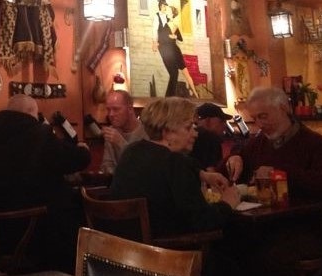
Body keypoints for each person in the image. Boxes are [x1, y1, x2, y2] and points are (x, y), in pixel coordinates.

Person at [0, 94, 91, 273]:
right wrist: (84, 150)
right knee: (79, 208)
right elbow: (75, 159)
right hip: (36, 228)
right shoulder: (38, 135)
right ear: (31, 112)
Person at [110, 97, 240, 239]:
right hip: (168, 249)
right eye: (188, 127)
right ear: (167, 132)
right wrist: (227, 203)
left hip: (125, 246)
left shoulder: (132, 151)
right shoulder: (174, 163)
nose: (195, 133)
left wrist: (202, 174)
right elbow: (203, 221)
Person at [223, 86, 322, 200]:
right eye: (255, 119)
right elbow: (225, 175)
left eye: (263, 116)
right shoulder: (258, 143)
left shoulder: (313, 142)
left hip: (302, 212)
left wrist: (278, 174)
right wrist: (234, 157)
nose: (259, 125)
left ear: (284, 109)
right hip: (260, 211)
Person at [99, 90, 147, 174]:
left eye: (116, 109)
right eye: (108, 110)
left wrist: (120, 143)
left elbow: (144, 167)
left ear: (130, 109)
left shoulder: (147, 131)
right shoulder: (111, 131)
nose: (111, 114)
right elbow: (107, 164)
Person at [152, 0, 183, 97]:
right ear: (161, 6)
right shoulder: (157, 16)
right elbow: (154, 30)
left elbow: (177, 34)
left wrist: (175, 36)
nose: (165, 7)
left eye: (166, 6)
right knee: (174, 72)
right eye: (164, 6)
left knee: (175, 72)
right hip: (163, 46)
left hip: (170, 46)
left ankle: (169, 96)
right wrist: (154, 42)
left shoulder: (168, 18)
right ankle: (169, 96)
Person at [166, 6, 199, 98]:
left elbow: (180, 38)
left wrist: (175, 36)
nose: (167, 12)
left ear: (172, 13)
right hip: (170, 52)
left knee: (186, 73)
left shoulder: (174, 25)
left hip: (175, 52)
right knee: (174, 74)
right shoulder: (165, 25)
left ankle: (196, 94)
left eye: (168, 11)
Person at [190, 103, 233, 171]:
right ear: (208, 120)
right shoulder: (212, 139)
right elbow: (211, 171)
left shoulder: (190, 136)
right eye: (221, 121)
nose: (225, 125)